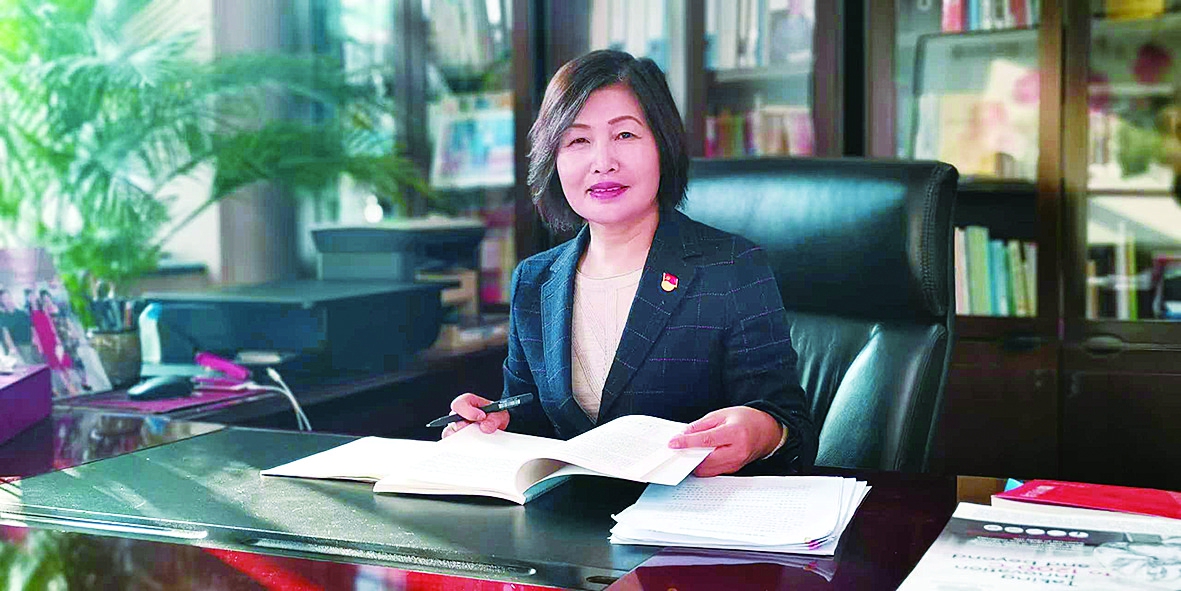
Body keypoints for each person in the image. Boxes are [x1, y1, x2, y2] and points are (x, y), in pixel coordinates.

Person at [444, 50, 817, 477]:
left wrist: (762, 433)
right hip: (574, 512)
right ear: (553, 158)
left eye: (624, 135)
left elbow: (794, 427)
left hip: (692, 508)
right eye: (578, 140)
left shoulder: (732, 268)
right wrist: (493, 425)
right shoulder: (534, 280)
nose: (603, 162)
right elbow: (532, 417)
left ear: (662, 144)